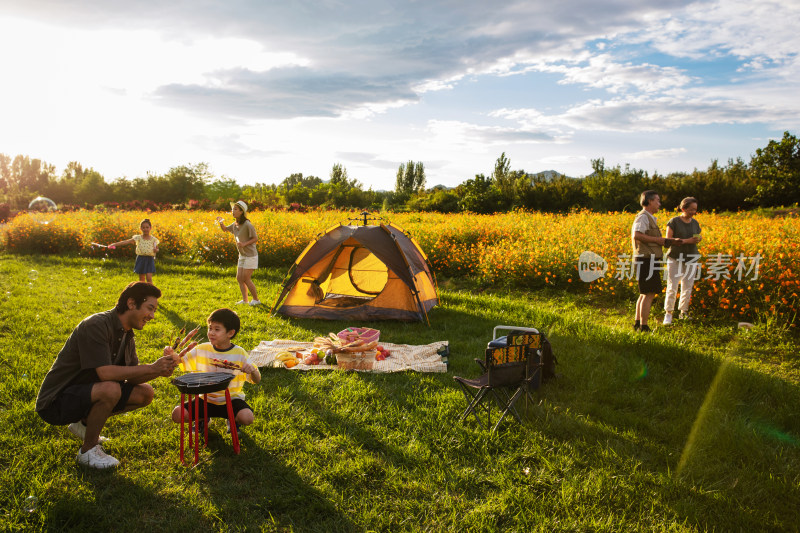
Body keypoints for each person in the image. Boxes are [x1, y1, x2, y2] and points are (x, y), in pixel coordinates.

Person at [35, 282, 195, 469]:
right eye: (149, 308)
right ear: (131, 303)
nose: (152, 316)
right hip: (56, 402)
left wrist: (158, 371)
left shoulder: (127, 335)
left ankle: (84, 423)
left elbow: (132, 378)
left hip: (86, 392)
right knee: (110, 388)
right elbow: (105, 373)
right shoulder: (96, 325)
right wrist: (152, 367)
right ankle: (88, 451)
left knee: (145, 393)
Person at [171, 308, 261, 434]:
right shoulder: (201, 349)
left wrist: (252, 371)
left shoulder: (239, 353)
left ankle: (233, 420)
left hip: (231, 399)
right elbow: (179, 361)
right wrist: (172, 355)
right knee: (177, 414)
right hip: (205, 398)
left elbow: (257, 380)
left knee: (247, 418)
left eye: (217, 329)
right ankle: (202, 419)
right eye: (210, 328)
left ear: (230, 333)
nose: (211, 333)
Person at [631, 190, 682, 332]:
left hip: (648, 258)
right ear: (649, 201)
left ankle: (638, 323)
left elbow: (650, 238)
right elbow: (637, 235)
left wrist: (669, 241)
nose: (659, 204)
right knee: (649, 293)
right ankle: (644, 326)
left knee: (644, 293)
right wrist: (659, 240)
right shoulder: (643, 217)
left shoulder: (649, 218)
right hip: (646, 259)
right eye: (657, 201)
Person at [663, 197, 703, 324]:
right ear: (683, 208)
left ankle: (683, 312)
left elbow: (696, 235)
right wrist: (687, 241)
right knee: (672, 285)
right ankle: (668, 313)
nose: (693, 212)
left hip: (691, 257)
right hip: (675, 257)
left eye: (695, 210)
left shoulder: (695, 223)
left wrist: (698, 238)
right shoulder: (673, 221)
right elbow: (668, 241)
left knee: (688, 286)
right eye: (691, 209)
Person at [216, 201, 261, 305]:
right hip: (242, 255)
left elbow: (255, 238)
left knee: (246, 278)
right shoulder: (235, 224)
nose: (233, 211)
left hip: (250, 255)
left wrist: (244, 244)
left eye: (235, 209)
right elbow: (225, 229)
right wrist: (221, 222)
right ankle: (245, 301)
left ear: (241, 212)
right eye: (233, 209)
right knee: (239, 278)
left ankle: (256, 300)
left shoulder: (247, 224)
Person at [106, 218, 160, 284]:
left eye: (147, 227)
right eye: (143, 227)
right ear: (140, 228)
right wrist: (114, 244)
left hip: (149, 259)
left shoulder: (153, 239)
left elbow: (157, 249)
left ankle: (151, 293)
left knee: (149, 278)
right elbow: (126, 242)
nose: (145, 229)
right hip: (141, 258)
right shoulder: (138, 238)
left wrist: (156, 250)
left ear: (150, 228)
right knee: (141, 278)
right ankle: (143, 292)